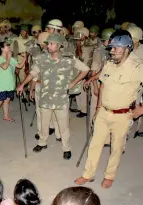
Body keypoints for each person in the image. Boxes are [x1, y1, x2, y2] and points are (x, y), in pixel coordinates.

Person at [75, 30, 143, 188]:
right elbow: (103, 84)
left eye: (116, 48)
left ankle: (109, 176)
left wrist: (141, 108)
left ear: (127, 48)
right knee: (95, 144)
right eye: (111, 48)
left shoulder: (138, 66)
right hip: (104, 112)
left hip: (123, 115)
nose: (112, 51)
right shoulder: (110, 63)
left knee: (116, 147)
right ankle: (88, 174)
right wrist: (98, 107)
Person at [17, 33, 89, 160]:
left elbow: (85, 69)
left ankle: (66, 148)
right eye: (48, 43)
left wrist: (73, 82)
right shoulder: (42, 59)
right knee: (44, 123)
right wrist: (22, 84)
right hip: (46, 97)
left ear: (59, 45)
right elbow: (33, 72)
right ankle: (42, 142)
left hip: (61, 99)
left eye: (51, 43)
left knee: (64, 126)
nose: (48, 46)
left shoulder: (69, 58)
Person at [0, 41, 26, 130]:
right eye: (7, 46)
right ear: (2, 48)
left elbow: (20, 66)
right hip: (1, 84)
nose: (9, 47)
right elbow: (5, 67)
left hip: (10, 84)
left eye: (9, 46)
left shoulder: (12, 59)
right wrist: (8, 58)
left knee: (7, 101)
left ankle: (6, 116)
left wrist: (25, 58)